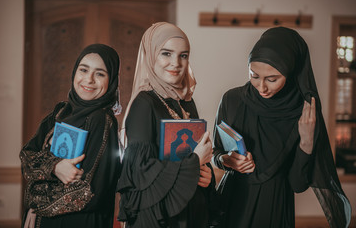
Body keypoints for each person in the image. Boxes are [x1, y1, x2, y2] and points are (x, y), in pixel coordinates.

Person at [212, 27, 351, 228]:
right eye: (254, 75)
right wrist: (226, 160)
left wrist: (306, 142)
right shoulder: (232, 100)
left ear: (291, 72)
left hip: (274, 207)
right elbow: (215, 153)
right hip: (232, 201)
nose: (261, 87)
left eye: (272, 79)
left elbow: (298, 184)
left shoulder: (304, 113)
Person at [117, 22, 215, 228]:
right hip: (159, 217)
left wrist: (206, 175)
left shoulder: (186, 102)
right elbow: (141, 171)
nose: (176, 63)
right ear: (151, 55)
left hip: (189, 211)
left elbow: (193, 158)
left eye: (183, 55)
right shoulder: (144, 103)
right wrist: (195, 162)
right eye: (166, 54)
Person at [20, 44, 122, 228]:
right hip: (43, 218)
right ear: (75, 72)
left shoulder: (102, 120)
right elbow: (26, 158)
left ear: (111, 80)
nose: (89, 79)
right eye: (83, 70)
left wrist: (39, 205)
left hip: (80, 221)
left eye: (100, 73)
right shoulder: (60, 112)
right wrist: (55, 166)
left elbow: (89, 193)